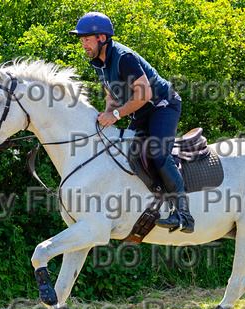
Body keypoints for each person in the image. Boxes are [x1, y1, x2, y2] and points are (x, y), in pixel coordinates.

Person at [69, 12, 194, 233]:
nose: (83, 45)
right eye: (81, 40)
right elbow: (113, 95)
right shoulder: (98, 62)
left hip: (162, 105)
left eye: (86, 39)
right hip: (141, 111)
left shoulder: (124, 58)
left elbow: (144, 94)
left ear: (101, 38)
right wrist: (106, 114)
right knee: (125, 151)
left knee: (157, 154)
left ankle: (184, 215)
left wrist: (116, 116)